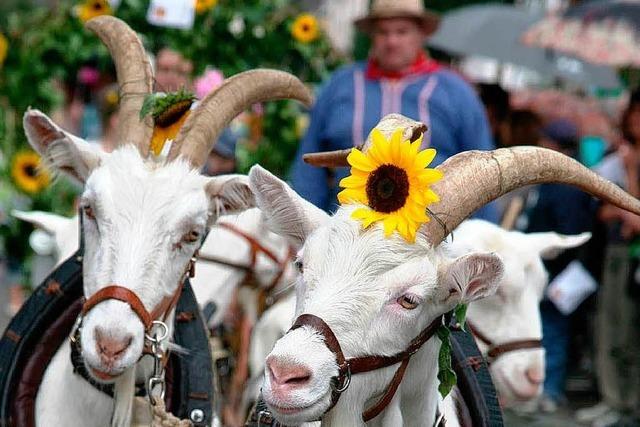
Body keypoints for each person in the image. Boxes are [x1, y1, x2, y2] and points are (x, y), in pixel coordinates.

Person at [290, 0, 496, 221]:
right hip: (345, 229)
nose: (392, 41)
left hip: (433, 234)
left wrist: (480, 237)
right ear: (371, 36)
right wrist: (303, 229)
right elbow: (309, 168)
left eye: (402, 31)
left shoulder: (456, 91)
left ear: (421, 34)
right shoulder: (341, 84)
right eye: (383, 32)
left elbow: (481, 171)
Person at [518, 119, 595, 413]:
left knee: (552, 330)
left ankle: (548, 392)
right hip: (546, 268)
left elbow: (569, 232)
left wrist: (551, 263)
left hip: (557, 272)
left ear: (555, 145)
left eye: (545, 140)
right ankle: (537, 391)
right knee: (544, 329)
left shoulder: (566, 184)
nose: (540, 144)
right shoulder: (552, 178)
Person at [576, 90, 640, 427]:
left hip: (633, 256)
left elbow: (632, 213)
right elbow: (603, 210)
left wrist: (629, 178)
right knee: (610, 325)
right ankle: (612, 398)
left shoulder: (628, 161)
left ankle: (626, 402)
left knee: (629, 332)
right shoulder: (620, 155)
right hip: (616, 253)